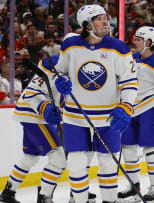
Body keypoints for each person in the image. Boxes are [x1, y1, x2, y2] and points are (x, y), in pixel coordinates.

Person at [54, 4, 137, 203]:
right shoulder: (71, 45)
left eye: (105, 17)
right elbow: (59, 71)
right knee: (76, 163)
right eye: (99, 18)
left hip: (109, 116)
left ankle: (110, 200)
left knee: (108, 163)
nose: (105, 22)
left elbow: (129, 81)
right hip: (75, 116)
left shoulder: (118, 47)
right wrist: (61, 81)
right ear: (86, 24)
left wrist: (126, 106)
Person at [117, 26, 154, 202]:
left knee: (151, 150)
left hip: (149, 110)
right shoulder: (132, 58)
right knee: (128, 149)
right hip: (130, 110)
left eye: (139, 39)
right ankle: (134, 187)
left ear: (149, 43)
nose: (135, 42)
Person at [0, 55, 66, 203]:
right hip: (35, 115)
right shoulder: (54, 68)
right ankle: (44, 196)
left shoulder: (69, 69)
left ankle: (8, 192)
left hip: (31, 115)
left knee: (31, 156)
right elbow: (31, 94)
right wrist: (45, 109)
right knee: (59, 158)